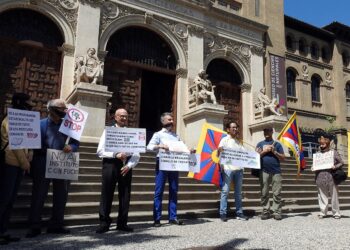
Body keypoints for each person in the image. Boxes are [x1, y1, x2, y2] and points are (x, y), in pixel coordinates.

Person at [26, 99, 79, 238]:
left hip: (62, 162)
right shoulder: (39, 124)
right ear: (50, 109)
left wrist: (71, 147)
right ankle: (34, 225)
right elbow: (32, 142)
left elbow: (75, 143)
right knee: (39, 194)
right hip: (42, 161)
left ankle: (56, 224)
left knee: (61, 195)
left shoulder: (69, 126)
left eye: (65, 108)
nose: (64, 110)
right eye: (61, 108)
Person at [95, 108, 140, 234]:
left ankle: (122, 223)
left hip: (126, 166)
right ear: (115, 117)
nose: (124, 118)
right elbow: (100, 151)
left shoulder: (132, 133)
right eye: (121, 116)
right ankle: (104, 222)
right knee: (107, 194)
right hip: (110, 165)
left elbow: (136, 153)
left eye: (126, 116)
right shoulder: (108, 131)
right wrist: (116, 154)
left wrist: (129, 165)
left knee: (125, 195)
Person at [0, 93, 33, 245]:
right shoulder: (10, 120)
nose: (31, 105)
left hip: (19, 165)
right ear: (20, 103)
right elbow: (16, 144)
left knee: (10, 200)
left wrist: (30, 153)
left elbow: (27, 141)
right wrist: (25, 163)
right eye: (28, 102)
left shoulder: (24, 121)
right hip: (10, 164)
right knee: (4, 199)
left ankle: (3, 231)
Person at [147, 112, 185, 227]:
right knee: (159, 191)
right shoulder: (158, 134)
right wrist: (160, 146)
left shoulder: (176, 136)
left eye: (172, 119)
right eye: (169, 120)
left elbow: (181, 148)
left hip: (174, 164)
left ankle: (172, 217)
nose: (171, 121)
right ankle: (157, 219)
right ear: (163, 121)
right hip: (162, 164)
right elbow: (148, 147)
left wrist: (189, 151)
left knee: (174, 190)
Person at [217, 121, 248, 222]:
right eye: (233, 127)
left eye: (236, 127)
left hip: (238, 170)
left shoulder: (239, 142)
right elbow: (218, 151)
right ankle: (223, 213)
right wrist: (220, 150)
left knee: (238, 193)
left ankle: (239, 213)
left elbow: (245, 154)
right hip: (228, 169)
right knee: (225, 191)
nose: (235, 129)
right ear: (228, 129)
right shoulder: (224, 140)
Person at [256, 127, 285, 220]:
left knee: (277, 192)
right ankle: (265, 211)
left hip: (276, 171)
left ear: (272, 132)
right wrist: (264, 151)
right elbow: (255, 157)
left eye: (268, 131)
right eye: (265, 131)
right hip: (264, 170)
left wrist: (274, 151)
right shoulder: (260, 144)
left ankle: (277, 211)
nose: (266, 132)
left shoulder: (277, 144)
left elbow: (283, 158)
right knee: (264, 192)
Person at [313, 132, 343, 219]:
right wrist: (313, 167)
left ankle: (336, 213)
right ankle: (323, 212)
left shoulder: (333, 152)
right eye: (321, 143)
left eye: (323, 143)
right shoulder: (318, 154)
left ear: (327, 143)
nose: (321, 145)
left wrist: (335, 166)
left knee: (334, 196)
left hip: (331, 177)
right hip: (320, 177)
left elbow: (341, 162)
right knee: (322, 196)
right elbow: (314, 165)